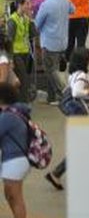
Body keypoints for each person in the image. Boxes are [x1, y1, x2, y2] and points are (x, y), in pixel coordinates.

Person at [45, 47, 89, 191]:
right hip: (82, 116)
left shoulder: (73, 74)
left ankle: (58, 173)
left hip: (76, 116)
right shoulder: (82, 76)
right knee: (84, 148)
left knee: (82, 147)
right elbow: (77, 92)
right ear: (85, 61)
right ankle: (57, 173)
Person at [34, 0, 74, 105]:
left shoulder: (46, 4)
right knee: (55, 68)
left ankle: (63, 93)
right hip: (63, 41)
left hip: (50, 43)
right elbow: (73, 10)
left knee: (50, 70)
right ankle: (52, 97)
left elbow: (37, 24)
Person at [0, 82, 30, 217]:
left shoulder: (8, 116)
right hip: (17, 160)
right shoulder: (16, 111)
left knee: (15, 198)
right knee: (10, 195)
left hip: (14, 161)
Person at [6, 0, 34, 103]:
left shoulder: (26, 19)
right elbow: (9, 41)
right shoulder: (12, 20)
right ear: (20, 5)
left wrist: (31, 19)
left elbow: (34, 33)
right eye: (27, 4)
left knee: (23, 79)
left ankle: (19, 102)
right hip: (16, 53)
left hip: (25, 53)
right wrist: (10, 59)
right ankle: (23, 103)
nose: (29, 6)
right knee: (23, 79)